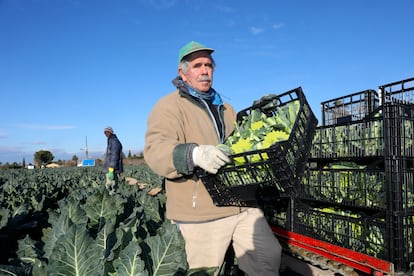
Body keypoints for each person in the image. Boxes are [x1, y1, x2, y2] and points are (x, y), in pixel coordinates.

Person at [144, 41, 282, 275]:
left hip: (242, 205)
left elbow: (243, 142)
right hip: (201, 213)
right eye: (197, 65)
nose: (205, 70)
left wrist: (260, 114)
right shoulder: (169, 107)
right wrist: (194, 154)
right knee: (205, 271)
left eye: (208, 65)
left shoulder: (227, 108)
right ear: (183, 73)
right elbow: (155, 150)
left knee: (267, 257)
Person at [103, 126, 123, 195]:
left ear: (111, 132)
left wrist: (112, 168)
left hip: (112, 169)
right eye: (105, 132)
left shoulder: (114, 142)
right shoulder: (110, 141)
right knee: (109, 186)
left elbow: (115, 155)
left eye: (107, 132)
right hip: (109, 168)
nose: (106, 134)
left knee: (111, 187)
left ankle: (113, 202)